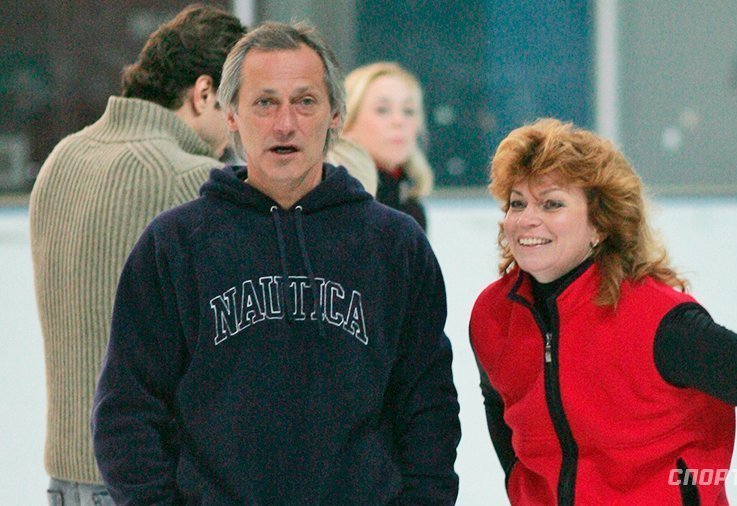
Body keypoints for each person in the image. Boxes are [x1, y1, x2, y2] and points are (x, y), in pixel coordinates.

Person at [91, 21, 461, 504]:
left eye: (305, 101)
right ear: (231, 115)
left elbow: (429, 408)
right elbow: (127, 411)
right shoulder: (175, 245)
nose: (285, 124)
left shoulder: (395, 245)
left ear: (335, 115)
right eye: (265, 102)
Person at [469, 119, 737, 505]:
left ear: (600, 224)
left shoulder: (663, 325)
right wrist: (519, 485)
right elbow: (497, 400)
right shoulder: (493, 316)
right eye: (517, 202)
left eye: (551, 203)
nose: (526, 219)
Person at [28, 6, 245, 504]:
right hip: (149, 479)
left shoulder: (63, 157)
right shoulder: (192, 179)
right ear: (204, 93)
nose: (239, 129)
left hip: (66, 477)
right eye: (237, 106)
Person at [341, 61, 433, 231]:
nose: (399, 121)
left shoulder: (412, 210)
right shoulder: (333, 203)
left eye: (408, 111)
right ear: (347, 123)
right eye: (382, 110)